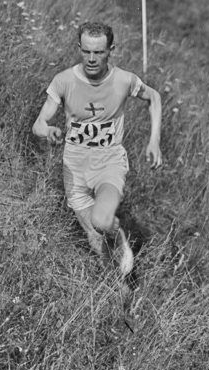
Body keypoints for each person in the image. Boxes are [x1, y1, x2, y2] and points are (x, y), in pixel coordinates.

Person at [32, 21, 164, 277]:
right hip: (74, 169)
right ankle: (120, 291)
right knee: (94, 239)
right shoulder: (63, 81)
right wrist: (48, 131)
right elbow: (38, 124)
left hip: (108, 163)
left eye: (99, 52)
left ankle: (118, 236)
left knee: (102, 222)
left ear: (111, 50)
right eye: (86, 51)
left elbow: (154, 97)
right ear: (78, 48)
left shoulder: (124, 80)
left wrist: (154, 141)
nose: (91, 59)